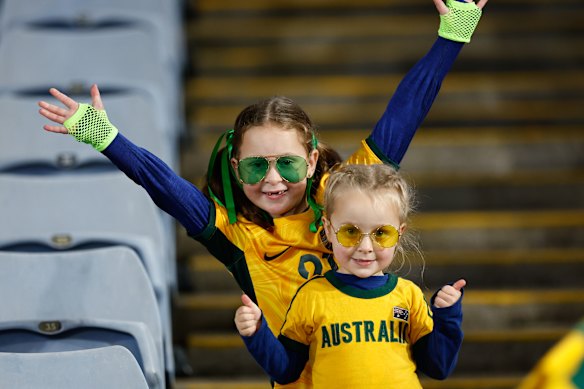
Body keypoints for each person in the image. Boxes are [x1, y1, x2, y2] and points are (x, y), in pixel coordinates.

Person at [38, 0, 484, 386]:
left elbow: (403, 115)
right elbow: (165, 188)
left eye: (287, 163)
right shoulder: (236, 234)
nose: (272, 179)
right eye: (256, 165)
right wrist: (105, 137)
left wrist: (451, 37)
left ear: (310, 163)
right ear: (236, 168)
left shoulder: (347, 191)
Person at [235, 163, 466, 388]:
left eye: (381, 233)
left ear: (399, 233)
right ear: (328, 229)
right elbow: (285, 371)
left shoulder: (409, 296)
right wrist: (258, 332)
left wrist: (447, 316)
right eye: (350, 232)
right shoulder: (311, 297)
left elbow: (438, 367)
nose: (365, 246)